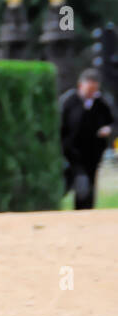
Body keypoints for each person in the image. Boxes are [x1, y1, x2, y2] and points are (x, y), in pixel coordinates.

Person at [59, 69, 114, 210]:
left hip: (93, 151)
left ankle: (87, 213)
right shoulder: (69, 101)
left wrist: (108, 129)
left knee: (89, 183)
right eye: (89, 89)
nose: (91, 93)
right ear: (80, 86)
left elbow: (113, 121)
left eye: (94, 90)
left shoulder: (101, 102)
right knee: (80, 181)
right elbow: (60, 125)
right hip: (72, 152)